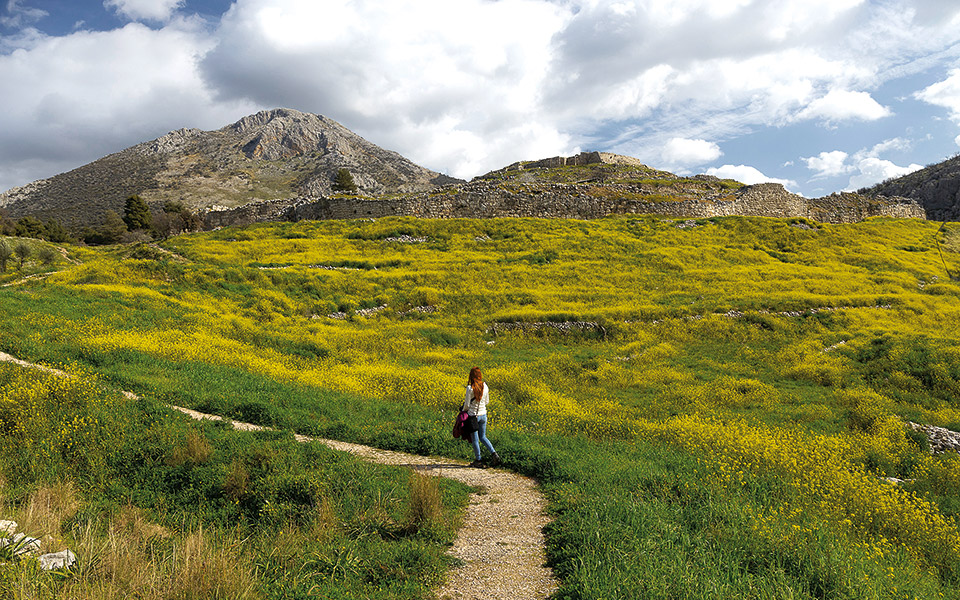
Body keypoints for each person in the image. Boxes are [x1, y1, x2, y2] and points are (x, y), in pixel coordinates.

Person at [463, 366, 502, 468]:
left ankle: (478, 460)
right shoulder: (485, 386)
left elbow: (466, 405)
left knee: (475, 439)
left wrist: (463, 411)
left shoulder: (470, 388)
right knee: (483, 437)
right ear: (480, 375)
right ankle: (494, 454)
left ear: (471, 376)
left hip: (473, 417)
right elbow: (487, 402)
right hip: (483, 415)